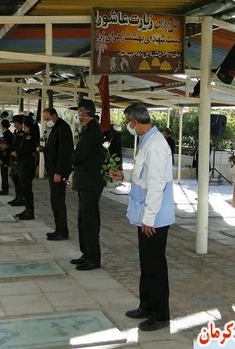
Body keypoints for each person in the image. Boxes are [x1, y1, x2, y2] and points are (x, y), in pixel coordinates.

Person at [109, 103, 175, 332]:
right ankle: (146, 305)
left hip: (154, 218)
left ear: (135, 122)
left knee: (155, 266)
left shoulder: (156, 145)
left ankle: (160, 314)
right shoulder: (148, 141)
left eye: (129, 122)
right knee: (146, 264)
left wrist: (149, 218)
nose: (129, 126)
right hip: (147, 215)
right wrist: (124, 176)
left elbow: (156, 185)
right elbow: (144, 176)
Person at [69, 99, 107, 271]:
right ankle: (86, 253)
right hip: (85, 180)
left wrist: (70, 159)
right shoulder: (88, 129)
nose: (78, 114)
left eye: (79, 111)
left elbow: (80, 154)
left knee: (90, 220)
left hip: (91, 180)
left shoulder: (92, 130)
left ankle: (93, 257)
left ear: (84, 112)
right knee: (83, 219)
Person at [39, 107, 73, 240]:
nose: (46, 121)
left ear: (54, 116)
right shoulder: (55, 128)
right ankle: (59, 228)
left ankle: (62, 231)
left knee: (58, 201)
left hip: (58, 172)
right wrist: (44, 149)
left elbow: (64, 152)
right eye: (44, 119)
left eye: (47, 119)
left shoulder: (63, 128)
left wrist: (59, 172)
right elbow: (54, 149)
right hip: (53, 170)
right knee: (55, 201)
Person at [13, 115, 39, 220]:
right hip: (22, 163)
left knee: (27, 188)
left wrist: (17, 153)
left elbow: (28, 149)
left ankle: (30, 211)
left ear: (25, 124)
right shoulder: (26, 134)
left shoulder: (30, 135)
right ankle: (27, 209)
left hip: (27, 164)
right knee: (24, 188)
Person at [7, 114, 25, 206]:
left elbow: (22, 146)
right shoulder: (17, 131)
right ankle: (17, 197)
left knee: (20, 181)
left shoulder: (23, 133)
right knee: (15, 179)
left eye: (15, 123)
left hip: (19, 159)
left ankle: (21, 199)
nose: (14, 125)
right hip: (14, 160)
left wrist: (17, 152)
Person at [0, 119, 13, 195]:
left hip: (5, 158)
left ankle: (5, 189)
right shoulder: (8, 134)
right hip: (5, 157)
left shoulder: (6, 135)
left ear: (2, 126)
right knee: (4, 174)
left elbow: (3, 148)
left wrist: (1, 159)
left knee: (4, 174)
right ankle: (4, 188)